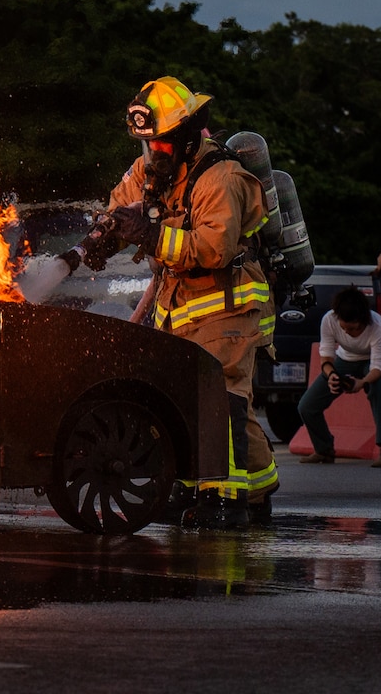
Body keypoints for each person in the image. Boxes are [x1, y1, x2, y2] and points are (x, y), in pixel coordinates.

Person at [79, 76, 279, 529]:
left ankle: (223, 500)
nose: (154, 155)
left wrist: (148, 234)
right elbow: (119, 208)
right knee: (190, 400)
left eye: (163, 144)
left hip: (228, 304)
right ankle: (256, 486)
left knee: (220, 396)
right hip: (179, 306)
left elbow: (213, 249)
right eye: (148, 145)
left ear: (189, 135)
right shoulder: (148, 169)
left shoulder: (221, 177)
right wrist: (101, 238)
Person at [297, 288, 381, 467]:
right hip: (345, 359)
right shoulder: (329, 319)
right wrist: (332, 376)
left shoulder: (376, 324)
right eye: (343, 328)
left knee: (378, 389)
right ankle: (324, 449)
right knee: (307, 405)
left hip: (377, 360)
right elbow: (327, 357)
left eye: (352, 328)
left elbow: (377, 367)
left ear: (362, 320)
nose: (347, 332)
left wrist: (362, 383)